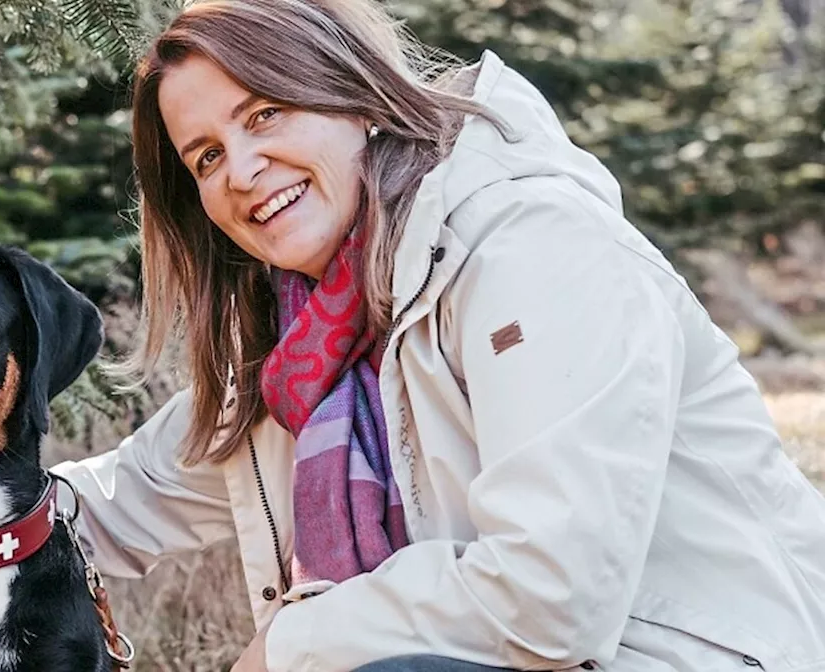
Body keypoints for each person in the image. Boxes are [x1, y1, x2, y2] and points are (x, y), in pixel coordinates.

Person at [50, 0, 825, 670]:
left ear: (353, 95)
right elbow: (125, 500)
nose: (242, 170)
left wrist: (294, 646)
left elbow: (553, 591)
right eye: (207, 156)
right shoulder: (302, 349)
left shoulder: (530, 246)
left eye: (265, 114)